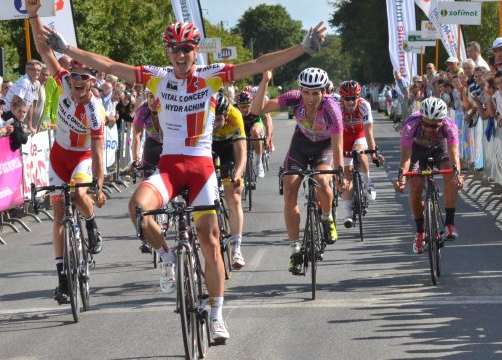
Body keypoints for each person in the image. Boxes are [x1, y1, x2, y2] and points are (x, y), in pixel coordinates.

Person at [29, 0, 325, 341]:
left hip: (200, 169)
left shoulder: (211, 76)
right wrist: (67, 48)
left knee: (211, 243)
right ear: (168, 52)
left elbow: (258, 63)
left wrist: (302, 48)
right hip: (169, 168)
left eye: (186, 49)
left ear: (195, 50)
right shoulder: (158, 78)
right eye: (174, 49)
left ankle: (216, 314)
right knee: (137, 208)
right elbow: (110, 65)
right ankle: (168, 257)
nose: (180, 55)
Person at [26, 4, 107, 307]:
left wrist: (98, 182)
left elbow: (98, 150)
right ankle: (62, 278)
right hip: (59, 155)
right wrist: (33, 16)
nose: (76, 83)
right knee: (58, 207)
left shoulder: (95, 111)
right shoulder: (61, 82)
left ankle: (92, 224)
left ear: (91, 81)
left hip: (83, 156)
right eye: (73, 78)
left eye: (83, 79)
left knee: (81, 196)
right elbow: (43, 49)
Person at [251, 68, 344, 275]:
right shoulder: (293, 99)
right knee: (290, 191)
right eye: (306, 93)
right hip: (301, 145)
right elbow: (257, 110)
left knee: (322, 180)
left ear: (324, 92)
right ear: (300, 91)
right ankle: (295, 250)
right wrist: (264, 81)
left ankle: (327, 218)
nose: (310, 98)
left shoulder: (332, 108)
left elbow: (338, 146)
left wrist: (339, 174)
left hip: (325, 146)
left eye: (315, 93)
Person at [394, 97, 464, 254]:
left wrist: (457, 175)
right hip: (417, 150)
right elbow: (406, 156)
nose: (430, 129)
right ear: (421, 118)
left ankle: (449, 225)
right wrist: (402, 178)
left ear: (442, 122)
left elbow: (454, 155)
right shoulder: (410, 124)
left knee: (451, 173)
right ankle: (420, 233)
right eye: (426, 124)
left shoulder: (449, 125)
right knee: (415, 188)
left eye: (435, 126)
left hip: (440, 148)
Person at [337, 80, 384, 228]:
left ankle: (368, 182)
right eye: (347, 98)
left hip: (359, 133)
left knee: (359, 151)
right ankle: (347, 214)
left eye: (353, 98)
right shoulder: (337, 107)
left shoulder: (364, 105)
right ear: (341, 98)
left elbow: (369, 131)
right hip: (343, 136)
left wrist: (374, 154)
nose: (350, 102)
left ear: (359, 96)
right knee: (346, 176)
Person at [212, 89, 247, 269]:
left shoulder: (235, 115)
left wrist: (238, 175)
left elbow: (241, 153)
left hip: (228, 147)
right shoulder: (200, 117)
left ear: (226, 115)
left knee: (234, 196)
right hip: (207, 145)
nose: (216, 124)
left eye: (219, 119)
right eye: (212, 119)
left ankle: (236, 248)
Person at [130, 88, 162, 180]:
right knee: (146, 181)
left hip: (169, 145)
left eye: (157, 97)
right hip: (152, 144)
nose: (153, 101)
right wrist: (136, 159)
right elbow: (137, 136)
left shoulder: (169, 110)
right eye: (151, 97)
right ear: (147, 98)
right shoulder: (141, 111)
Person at [235, 91, 267, 178]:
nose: (244, 109)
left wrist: (268, 138)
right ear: (238, 105)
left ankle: (258, 163)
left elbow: (268, 123)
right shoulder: (234, 109)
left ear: (251, 104)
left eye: (247, 106)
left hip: (255, 125)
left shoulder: (257, 108)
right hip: (242, 128)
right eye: (242, 106)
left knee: (255, 132)